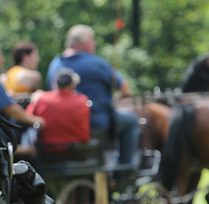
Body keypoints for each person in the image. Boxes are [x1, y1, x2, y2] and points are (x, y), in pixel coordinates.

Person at [46, 24, 139, 166]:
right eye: (92, 40)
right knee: (131, 121)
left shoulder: (54, 64)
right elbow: (126, 90)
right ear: (82, 43)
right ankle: (125, 169)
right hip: (95, 123)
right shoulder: (96, 63)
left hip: (62, 125)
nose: (94, 44)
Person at [26, 68, 91, 150]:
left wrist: (35, 99)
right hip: (79, 151)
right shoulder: (83, 100)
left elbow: (28, 117)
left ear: (54, 84)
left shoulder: (42, 99)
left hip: (50, 151)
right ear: (72, 85)